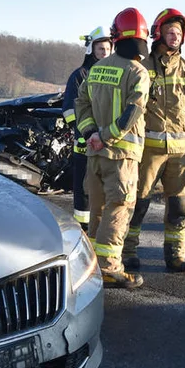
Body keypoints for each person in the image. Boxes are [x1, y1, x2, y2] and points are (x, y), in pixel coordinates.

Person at [122, 8, 185, 273]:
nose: (175, 36)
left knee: (179, 207)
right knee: (138, 203)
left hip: (180, 154)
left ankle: (175, 255)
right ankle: (128, 251)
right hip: (148, 151)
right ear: (159, 33)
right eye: (170, 31)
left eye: (179, 32)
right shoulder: (143, 67)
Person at [74, 8, 151, 289]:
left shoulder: (97, 68)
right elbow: (134, 112)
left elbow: (80, 105)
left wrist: (91, 133)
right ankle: (109, 268)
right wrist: (106, 136)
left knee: (98, 208)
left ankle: (92, 264)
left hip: (95, 153)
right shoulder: (138, 71)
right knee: (119, 209)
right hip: (121, 156)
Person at [62, 27, 113, 230]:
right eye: (100, 49)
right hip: (84, 141)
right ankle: (82, 228)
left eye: (107, 49)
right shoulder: (80, 75)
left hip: (108, 139)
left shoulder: (113, 73)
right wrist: (84, 132)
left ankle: (100, 225)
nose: (104, 53)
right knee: (83, 186)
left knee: (107, 186)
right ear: (92, 50)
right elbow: (69, 109)